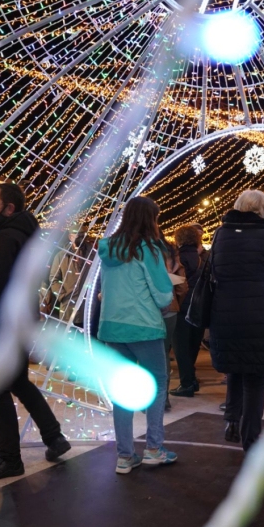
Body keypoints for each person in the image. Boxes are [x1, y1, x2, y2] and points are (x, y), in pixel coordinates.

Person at [0, 183, 71, 482]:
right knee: (20, 383)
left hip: (3, 323)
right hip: (21, 322)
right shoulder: (28, 238)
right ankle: (54, 437)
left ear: (9, 208)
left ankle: (9, 459)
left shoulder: (5, 239)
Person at [97, 196, 178, 474]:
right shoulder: (149, 249)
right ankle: (154, 448)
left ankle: (124, 455)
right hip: (145, 327)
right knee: (156, 384)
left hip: (112, 328)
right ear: (150, 219)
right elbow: (163, 294)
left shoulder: (107, 248)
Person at [210, 190, 264, 450]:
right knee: (255, 378)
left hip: (225, 315)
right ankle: (251, 438)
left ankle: (232, 421)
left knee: (235, 369)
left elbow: (212, 271)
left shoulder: (220, 235)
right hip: (260, 315)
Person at [170, 224, 205, 398]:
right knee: (193, 345)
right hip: (199, 306)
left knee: (180, 347)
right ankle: (192, 380)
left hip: (182, 306)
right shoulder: (203, 258)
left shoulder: (178, 258)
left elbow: (178, 282)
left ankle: (187, 384)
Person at [161, 238, 188, 411]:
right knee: (163, 353)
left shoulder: (138, 250)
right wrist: (175, 300)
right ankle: (163, 399)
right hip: (169, 309)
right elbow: (182, 286)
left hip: (144, 310)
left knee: (145, 353)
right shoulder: (171, 252)